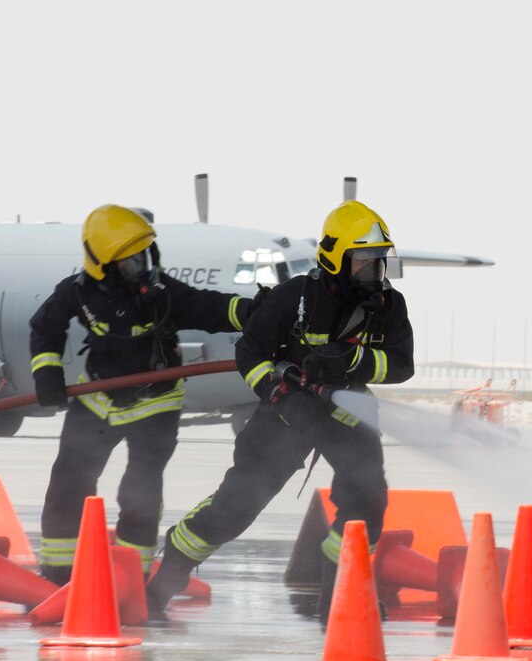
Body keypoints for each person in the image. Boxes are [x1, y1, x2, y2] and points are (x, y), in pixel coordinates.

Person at [146, 199, 414, 618]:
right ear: (335, 258)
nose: (374, 271)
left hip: (348, 414)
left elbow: (402, 365)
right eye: (364, 261)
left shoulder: (388, 305)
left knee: (369, 501)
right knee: (238, 505)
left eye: (379, 261)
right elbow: (250, 352)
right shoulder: (294, 298)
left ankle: (342, 597)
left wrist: (352, 364)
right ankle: (169, 574)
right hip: (289, 414)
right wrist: (273, 384)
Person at [30, 204, 257, 585]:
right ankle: (58, 573)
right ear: (104, 268)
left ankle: (131, 579)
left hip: (156, 402)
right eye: (132, 262)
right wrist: (47, 373)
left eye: (146, 256)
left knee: (140, 492)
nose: (144, 267)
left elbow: (213, 308)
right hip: (97, 400)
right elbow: (45, 326)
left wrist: (260, 311)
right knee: (69, 482)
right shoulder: (78, 293)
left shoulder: (165, 295)